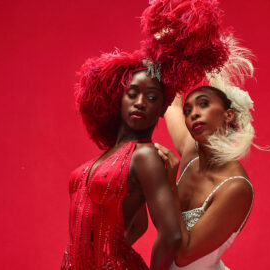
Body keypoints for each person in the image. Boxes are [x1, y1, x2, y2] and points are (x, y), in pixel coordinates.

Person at [61, 0, 231, 269]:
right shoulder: (110, 156)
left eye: (152, 97)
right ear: (119, 99)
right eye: (133, 94)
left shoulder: (145, 156)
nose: (141, 102)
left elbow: (172, 235)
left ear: (161, 108)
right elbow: (137, 224)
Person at [154, 37, 259, 269]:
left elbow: (183, 256)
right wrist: (168, 47)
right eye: (189, 109)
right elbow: (171, 102)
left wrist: (170, 185)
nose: (193, 114)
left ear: (228, 115)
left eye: (203, 104)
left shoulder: (235, 187)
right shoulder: (192, 153)